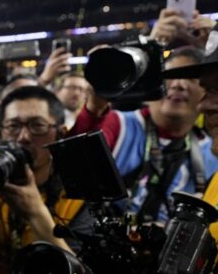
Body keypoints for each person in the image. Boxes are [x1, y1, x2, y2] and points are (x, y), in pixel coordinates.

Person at [105, 23, 218, 274]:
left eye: (216, 90)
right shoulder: (123, 125)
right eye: (208, 90)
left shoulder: (208, 154)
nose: (206, 103)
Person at [73, 46, 218, 223]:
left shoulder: (211, 151)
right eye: (170, 76)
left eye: (190, 78)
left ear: (206, 92)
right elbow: (77, 161)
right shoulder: (119, 124)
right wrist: (97, 101)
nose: (178, 84)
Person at [0, 86, 92, 274]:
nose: (23, 137)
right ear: (0, 133)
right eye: (13, 126)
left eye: (37, 126)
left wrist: (36, 212)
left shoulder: (78, 196)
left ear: (60, 134)